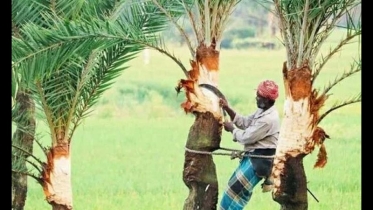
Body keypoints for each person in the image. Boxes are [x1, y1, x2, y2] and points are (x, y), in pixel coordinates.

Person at [219, 80, 280, 210]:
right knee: (231, 194)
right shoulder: (263, 110)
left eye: (259, 96)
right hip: (252, 158)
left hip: (259, 162)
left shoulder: (268, 119)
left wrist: (232, 129)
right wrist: (228, 109)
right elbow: (246, 122)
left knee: (235, 198)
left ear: (267, 100)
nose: (256, 98)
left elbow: (247, 137)